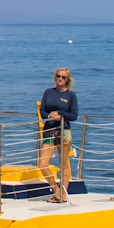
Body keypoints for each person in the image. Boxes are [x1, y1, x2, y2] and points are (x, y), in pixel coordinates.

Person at [37, 66, 78, 203]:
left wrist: (60, 115)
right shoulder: (48, 92)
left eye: (63, 77)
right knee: (42, 164)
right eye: (58, 76)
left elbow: (73, 115)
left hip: (63, 131)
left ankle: (64, 194)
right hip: (49, 130)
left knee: (64, 164)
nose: (60, 79)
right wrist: (49, 115)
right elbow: (42, 110)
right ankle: (56, 190)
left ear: (67, 80)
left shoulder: (71, 95)